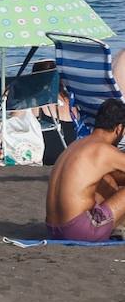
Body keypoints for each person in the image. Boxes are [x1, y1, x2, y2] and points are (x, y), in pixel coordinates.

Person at [44, 98, 125, 242]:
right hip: (79, 231)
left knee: (108, 179)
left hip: (54, 230)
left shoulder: (76, 145)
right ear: (119, 129)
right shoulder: (104, 151)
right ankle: (104, 228)